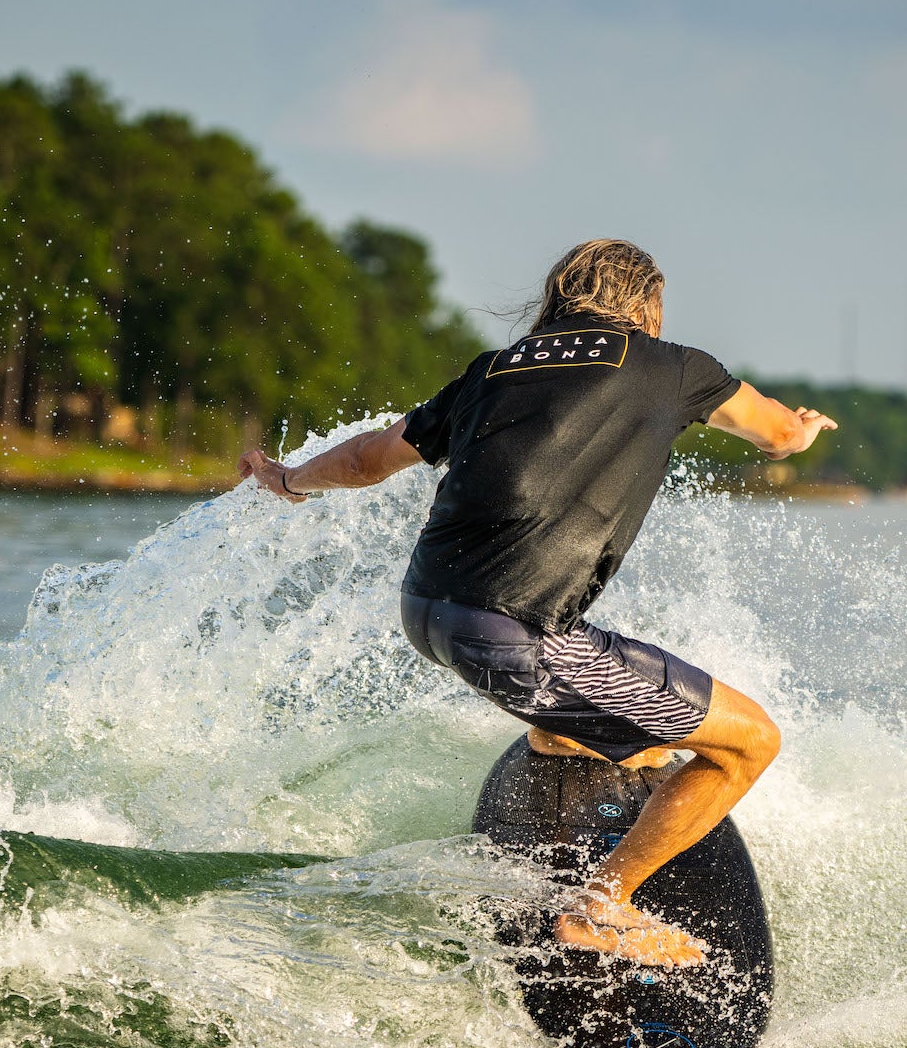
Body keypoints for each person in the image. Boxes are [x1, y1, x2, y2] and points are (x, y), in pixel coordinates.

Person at [239, 239, 836, 967]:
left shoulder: (491, 371)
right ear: (646, 306)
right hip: (514, 637)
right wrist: (799, 430)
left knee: (607, 709)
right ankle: (600, 907)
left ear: (558, 298)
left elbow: (367, 459)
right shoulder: (674, 366)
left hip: (426, 609)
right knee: (751, 741)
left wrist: (289, 479)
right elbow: (775, 431)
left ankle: (560, 736)